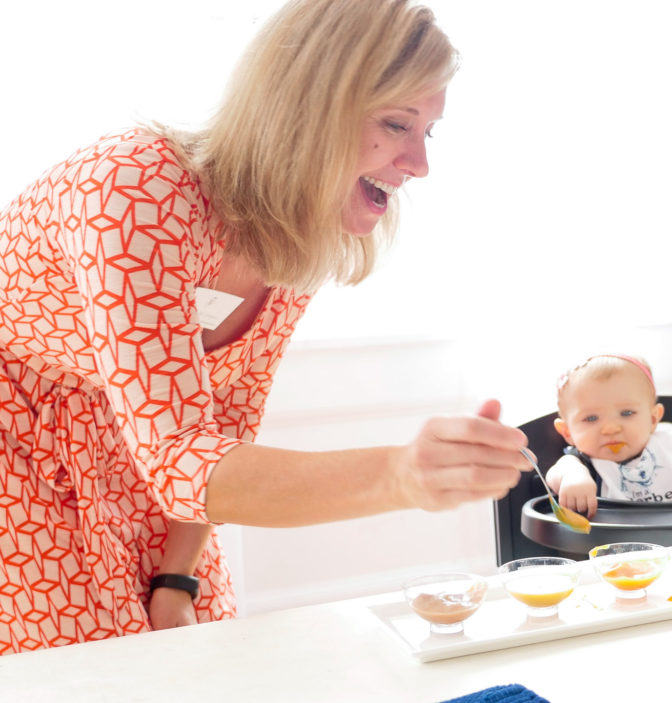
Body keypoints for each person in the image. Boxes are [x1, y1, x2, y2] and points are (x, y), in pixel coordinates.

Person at [0, 0, 529, 655]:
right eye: (398, 124)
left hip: (152, 466)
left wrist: (177, 573)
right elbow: (180, 456)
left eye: (429, 131)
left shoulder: (296, 241)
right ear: (310, 108)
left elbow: (218, 432)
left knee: (193, 662)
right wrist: (400, 475)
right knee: (84, 676)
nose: (419, 163)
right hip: (19, 455)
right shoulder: (134, 190)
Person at [545, 355, 672, 518]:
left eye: (627, 413)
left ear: (653, 419)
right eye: (591, 418)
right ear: (567, 432)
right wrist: (574, 478)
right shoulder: (578, 464)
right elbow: (555, 475)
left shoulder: (669, 445)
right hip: (619, 556)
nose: (611, 428)